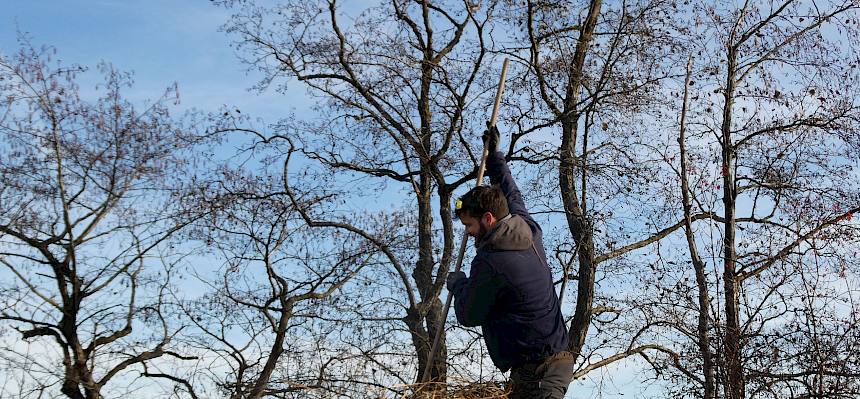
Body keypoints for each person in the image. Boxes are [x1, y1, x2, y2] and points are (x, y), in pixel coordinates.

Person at [447, 123, 573, 399]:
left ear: (488, 219)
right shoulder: (526, 228)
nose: (467, 233)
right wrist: (495, 157)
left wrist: (457, 284)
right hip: (549, 365)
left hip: (539, 375)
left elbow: (469, 314)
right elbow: (510, 191)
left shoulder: (491, 262)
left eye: (469, 224)